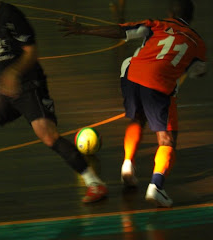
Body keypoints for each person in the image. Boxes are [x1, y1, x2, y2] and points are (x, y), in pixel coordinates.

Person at [0, 0, 107, 203]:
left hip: (29, 87)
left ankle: (95, 183)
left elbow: (31, 52)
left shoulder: (11, 15)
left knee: (49, 137)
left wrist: (14, 71)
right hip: (5, 90)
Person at [58, 0, 207, 207]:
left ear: (170, 12)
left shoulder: (157, 24)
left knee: (138, 119)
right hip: (158, 83)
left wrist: (84, 29)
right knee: (166, 140)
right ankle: (156, 187)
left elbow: (121, 31)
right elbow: (197, 71)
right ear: (191, 17)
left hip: (131, 74)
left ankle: (127, 164)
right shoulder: (197, 42)